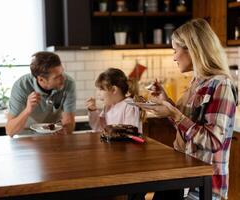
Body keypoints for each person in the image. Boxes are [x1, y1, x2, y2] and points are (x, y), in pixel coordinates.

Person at [137, 18, 238, 200]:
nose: (174, 57)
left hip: (203, 189)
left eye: (175, 50)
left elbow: (213, 141)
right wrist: (166, 101)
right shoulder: (197, 82)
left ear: (192, 50)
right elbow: (187, 129)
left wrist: (174, 114)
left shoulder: (221, 85)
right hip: (184, 178)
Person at [5, 51, 76, 137]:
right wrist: (28, 110)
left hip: (54, 137)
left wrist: (65, 131)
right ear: (41, 79)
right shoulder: (21, 86)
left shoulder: (68, 83)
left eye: (62, 73)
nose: (63, 78)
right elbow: (10, 131)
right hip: (27, 138)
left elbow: (69, 123)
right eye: (57, 77)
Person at [86, 68, 145, 133]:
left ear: (114, 89)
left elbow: (130, 133)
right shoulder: (108, 107)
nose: (98, 93)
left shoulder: (130, 106)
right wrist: (93, 111)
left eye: (101, 89)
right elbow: (99, 128)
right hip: (113, 143)